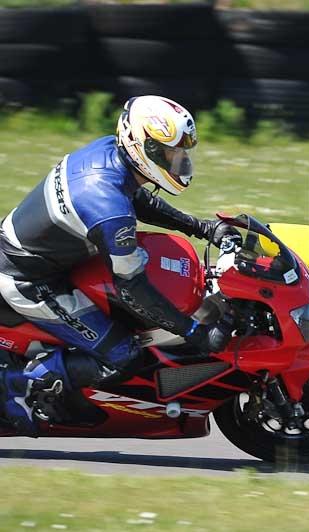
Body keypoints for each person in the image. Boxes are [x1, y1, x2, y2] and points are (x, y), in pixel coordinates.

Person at [0, 95, 238, 436]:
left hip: (45, 256)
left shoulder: (111, 154)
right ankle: (15, 386)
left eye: (182, 151)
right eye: (169, 152)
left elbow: (138, 198)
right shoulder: (107, 205)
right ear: (143, 148)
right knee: (124, 353)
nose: (179, 160)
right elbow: (133, 287)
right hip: (29, 281)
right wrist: (194, 332)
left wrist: (200, 227)